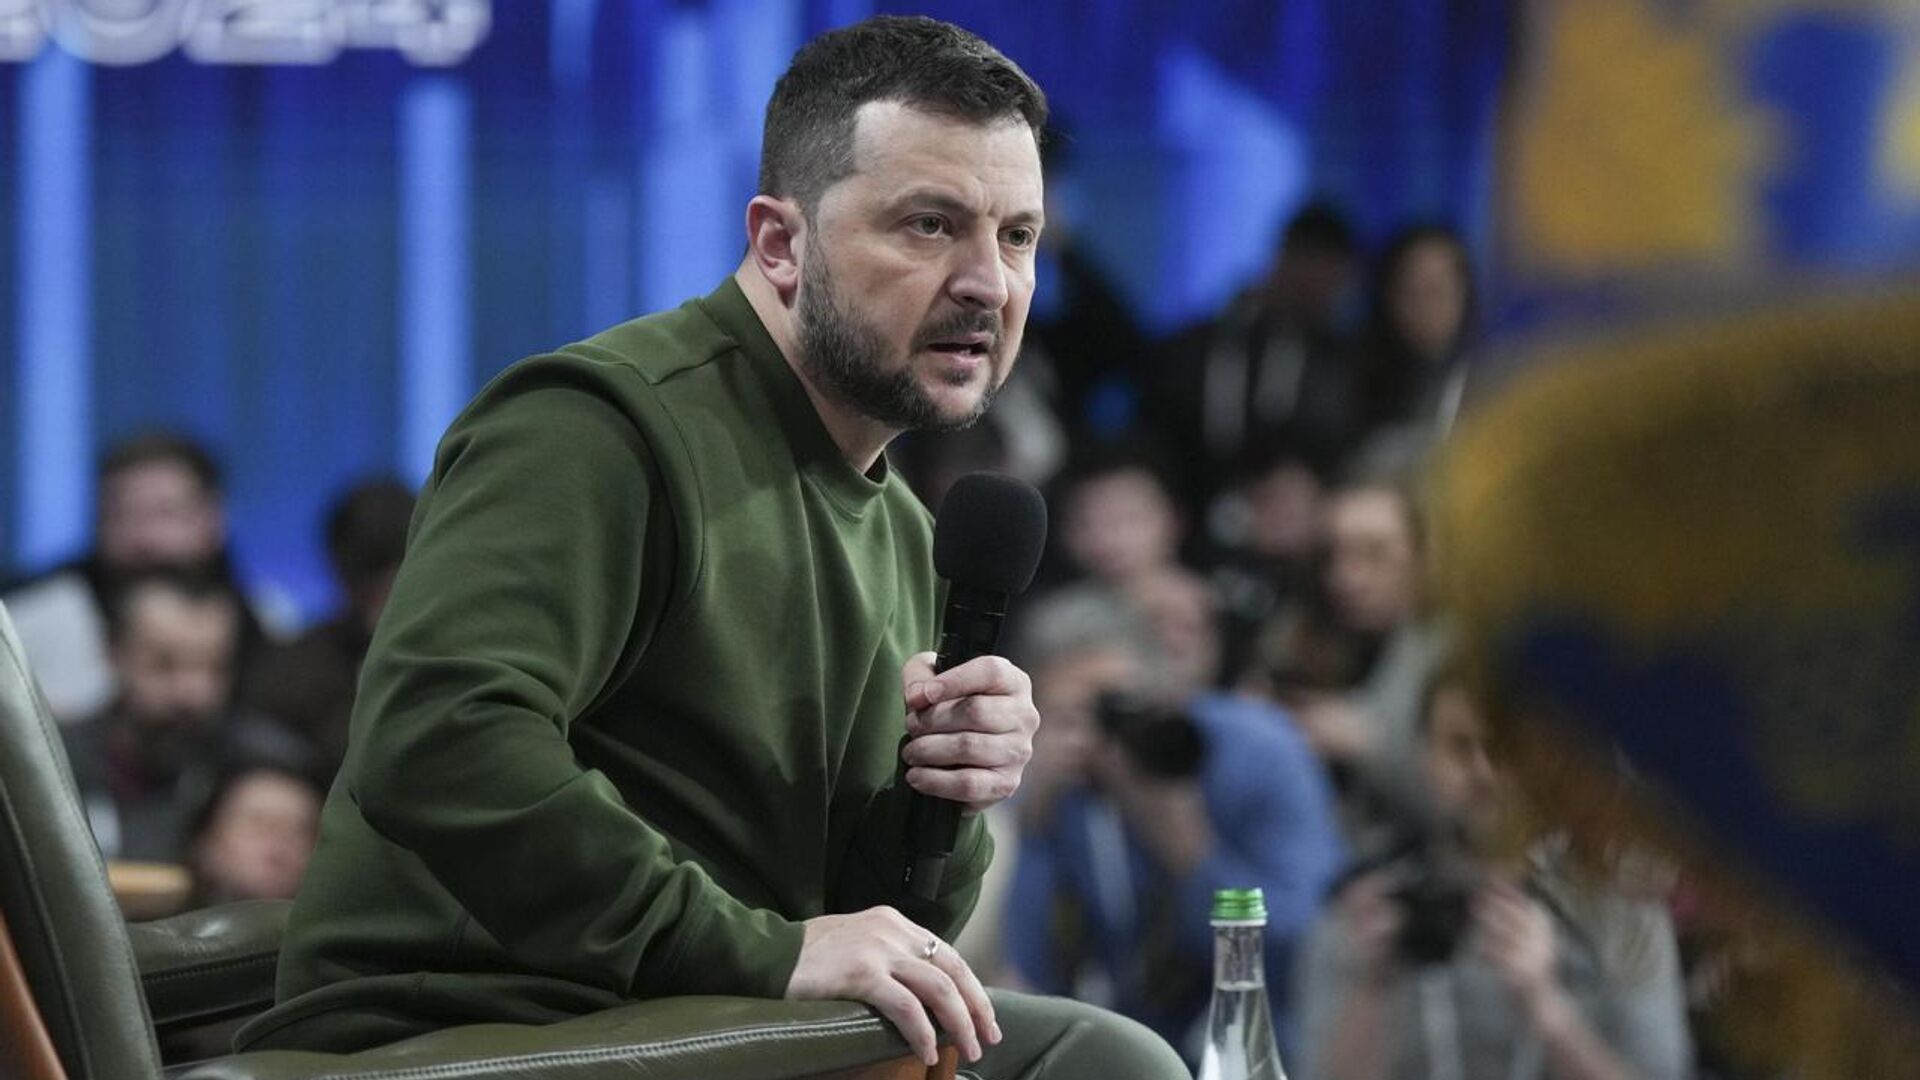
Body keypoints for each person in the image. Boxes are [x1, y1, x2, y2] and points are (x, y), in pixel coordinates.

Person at [236, 16, 1186, 1077]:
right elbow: (437, 736)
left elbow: (871, 920)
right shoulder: (597, 426)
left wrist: (948, 793)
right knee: (1098, 1061)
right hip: (470, 1027)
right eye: (930, 225)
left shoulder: (913, 535)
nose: (989, 283)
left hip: (700, 1018)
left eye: (1017, 237)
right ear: (780, 245)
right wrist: (759, 952)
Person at [1001, 586, 1344, 1062]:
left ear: (1162, 688)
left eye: (1115, 709)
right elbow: (1033, 969)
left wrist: (1190, 851)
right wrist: (1035, 818)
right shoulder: (1064, 787)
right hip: (1123, 1054)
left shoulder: (1259, 752)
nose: (1098, 737)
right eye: (1069, 717)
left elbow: (1300, 949)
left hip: (1259, 1052)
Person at [1296, 669, 1692, 1080]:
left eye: (1507, 748)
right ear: (1422, 757)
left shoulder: (1623, 910)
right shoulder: (1367, 907)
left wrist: (1546, 1008)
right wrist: (1371, 990)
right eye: (1460, 747)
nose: (1483, 771)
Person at [4, 432, 277, 723]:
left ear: (214, 518)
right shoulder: (24, 621)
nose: (145, 539)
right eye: (122, 515)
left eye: (166, 513)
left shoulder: (269, 621)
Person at [61, 569, 246, 862]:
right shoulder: (54, 762)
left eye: (215, 667)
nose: (192, 691)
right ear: (113, 653)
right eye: (164, 664)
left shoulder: (253, 770)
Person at [243, 478, 415, 776]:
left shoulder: (464, 655)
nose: (382, 601)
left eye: (393, 580)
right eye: (370, 584)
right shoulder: (292, 673)